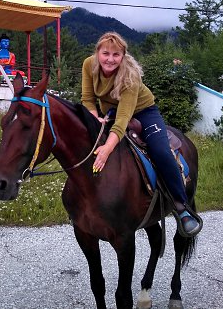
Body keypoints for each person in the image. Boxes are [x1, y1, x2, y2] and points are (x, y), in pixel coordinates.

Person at [81, 32, 201, 237]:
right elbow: (87, 99)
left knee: (161, 151)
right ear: (97, 53)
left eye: (116, 55)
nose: (110, 59)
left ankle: (181, 207)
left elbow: (123, 119)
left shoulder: (130, 75)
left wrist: (107, 149)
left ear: (123, 56)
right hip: (109, 113)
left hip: (143, 112)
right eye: (105, 53)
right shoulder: (88, 65)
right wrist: (94, 119)